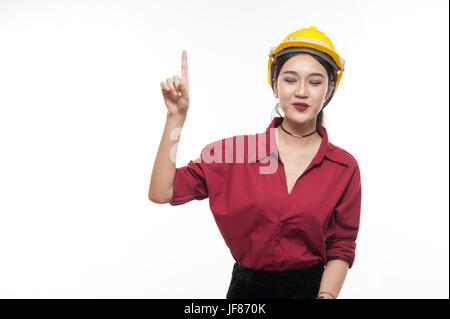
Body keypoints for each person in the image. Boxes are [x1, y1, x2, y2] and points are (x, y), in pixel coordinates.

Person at [148, 26, 362, 299]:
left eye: (315, 82)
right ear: (274, 84)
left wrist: (326, 297)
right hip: (246, 294)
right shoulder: (232, 153)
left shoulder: (344, 168)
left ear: (330, 90)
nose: (301, 91)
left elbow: (341, 246)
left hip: (312, 291)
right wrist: (175, 119)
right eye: (290, 79)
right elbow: (160, 192)